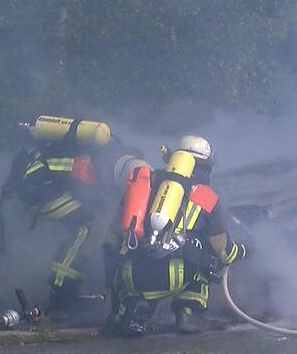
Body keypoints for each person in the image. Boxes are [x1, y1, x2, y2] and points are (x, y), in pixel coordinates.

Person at [0, 116, 146, 319]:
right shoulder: (89, 164)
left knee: (98, 226)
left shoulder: (100, 161)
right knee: (88, 228)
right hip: (37, 191)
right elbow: (83, 187)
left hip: (48, 186)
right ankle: (62, 292)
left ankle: (82, 284)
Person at [105, 135, 248, 336]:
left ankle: (136, 308)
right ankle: (188, 313)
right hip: (176, 276)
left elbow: (113, 235)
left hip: (132, 275)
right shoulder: (206, 196)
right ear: (206, 167)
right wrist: (243, 251)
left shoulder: (145, 184)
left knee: (130, 271)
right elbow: (221, 249)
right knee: (206, 255)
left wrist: (112, 271)